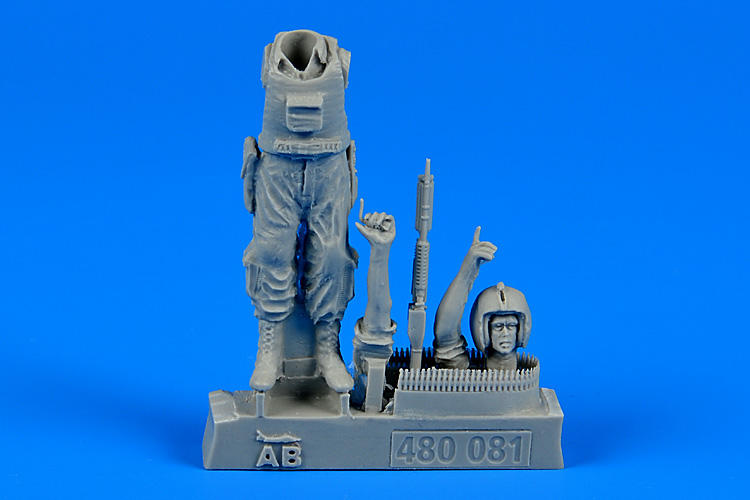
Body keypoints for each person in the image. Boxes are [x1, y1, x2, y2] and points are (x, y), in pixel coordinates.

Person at [241, 30, 358, 392]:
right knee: (270, 253)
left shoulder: (339, 60)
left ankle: (327, 347)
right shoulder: (270, 59)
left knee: (332, 257)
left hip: (330, 168)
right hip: (278, 168)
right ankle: (269, 346)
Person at [433, 227, 531, 369]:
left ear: (520, 330)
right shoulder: (463, 373)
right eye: (498, 326)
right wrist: (467, 271)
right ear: (484, 330)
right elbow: (445, 334)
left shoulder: (525, 376)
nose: (505, 333)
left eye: (511, 326)